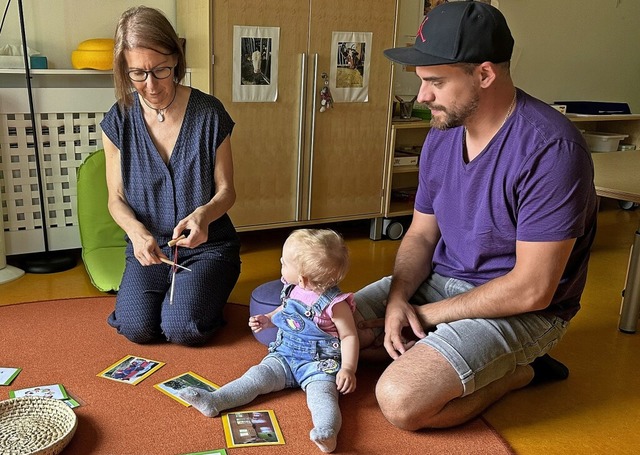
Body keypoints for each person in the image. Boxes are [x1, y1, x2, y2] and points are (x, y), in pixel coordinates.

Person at [355, 1, 597, 431]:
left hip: (521, 310)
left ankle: (520, 371)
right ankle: (426, 346)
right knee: (320, 328)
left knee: (400, 401)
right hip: (440, 282)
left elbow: (532, 290)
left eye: (435, 82)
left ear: (484, 74)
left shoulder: (552, 150)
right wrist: (397, 301)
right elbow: (421, 236)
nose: (422, 97)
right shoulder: (442, 135)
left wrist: (424, 316)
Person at [101, 6, 241, 346]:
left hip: (207, 245)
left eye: (160, 70)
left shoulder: (209, 113)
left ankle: (203, 289)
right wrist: (135, 233)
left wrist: (204, 215)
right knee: (137, 328)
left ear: (175, 59)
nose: (150, 85)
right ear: (124, 71)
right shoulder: (118, 120)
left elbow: (227, 192)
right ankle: (167, 296)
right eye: (137, 74)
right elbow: (115, 199)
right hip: (149, 247)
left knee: (183, 329)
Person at [178, 229, 358, 453]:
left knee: (323, 397)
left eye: (284, 263)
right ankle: (216, 400)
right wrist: (269, 320)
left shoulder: (335, 304)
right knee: (256, 377)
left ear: (303, 278)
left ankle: (326, 432)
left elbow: (349, 336)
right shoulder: (293, 289)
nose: (280, 265)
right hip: (284, 356)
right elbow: (285, 310)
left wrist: (348, 369)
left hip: (318, 365)